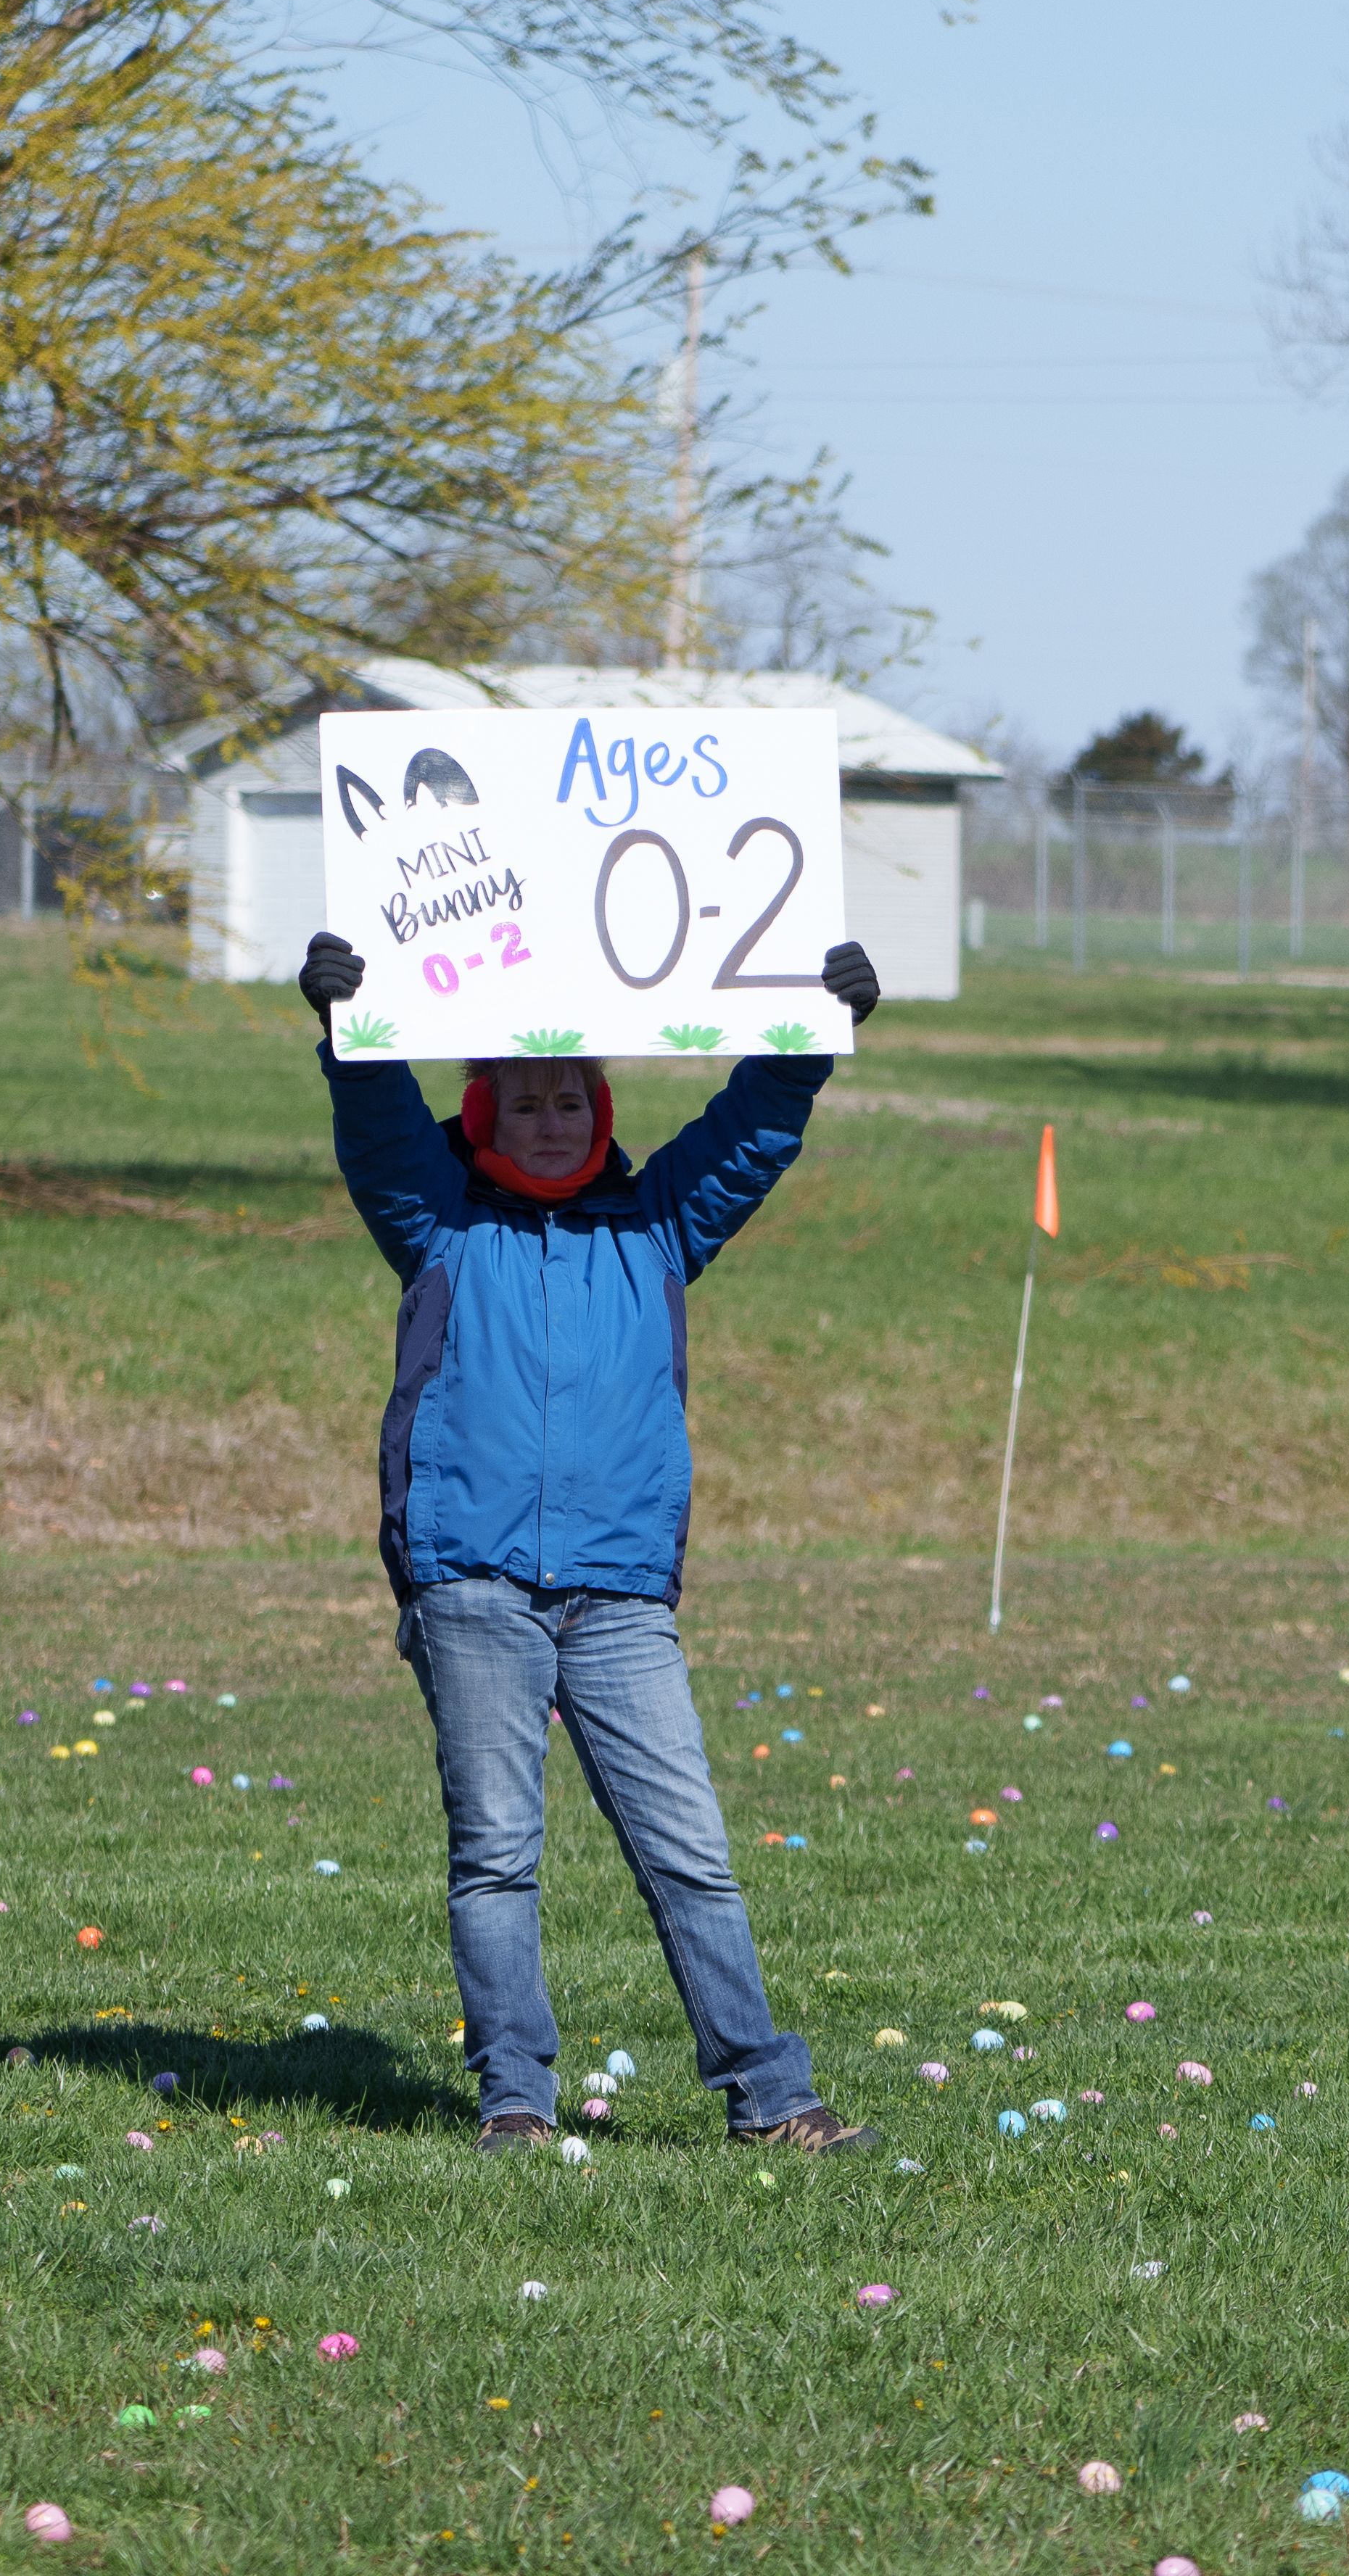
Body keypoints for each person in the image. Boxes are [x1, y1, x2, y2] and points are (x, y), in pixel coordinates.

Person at [296, 922, 882, 2155]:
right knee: (498, 1857)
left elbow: (749, 1137)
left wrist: (809, 1043)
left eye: (573, 1097)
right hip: (474, 1582)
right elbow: (381, 1132)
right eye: (528, 1102)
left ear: (601, 1104)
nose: (554, 1120)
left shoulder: (660, 1221)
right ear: (486, 1113)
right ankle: (514, 2097)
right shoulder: (441, 1222)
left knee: (693, 1857)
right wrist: (352, 1034)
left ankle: (771, 2097)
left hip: (619, 1595)